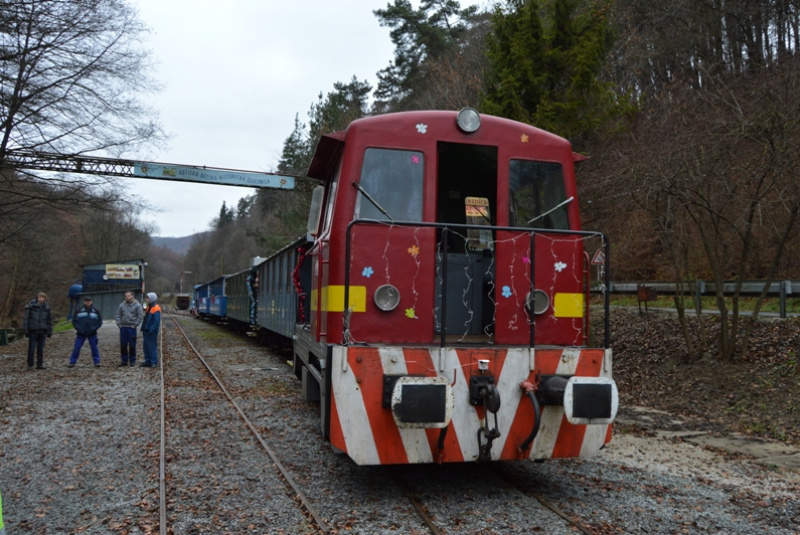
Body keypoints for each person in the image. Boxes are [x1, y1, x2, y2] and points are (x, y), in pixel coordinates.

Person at [69, 296, 103, 367]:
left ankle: (96, 362)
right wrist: (79, 328)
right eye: (86, 301)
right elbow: (74, 321)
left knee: (94, 348)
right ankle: (72, 362)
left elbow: (99, 322)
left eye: (89, 301)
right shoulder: (79, 311)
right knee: (77, 348)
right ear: (84, 302)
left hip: (92, 333)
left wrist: (94, 328)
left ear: (91, 302)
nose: (88, 302)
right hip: (81, 333)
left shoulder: (96, 311)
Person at [22, 292, 53, 370]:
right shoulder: (31, 307)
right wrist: (26, 330)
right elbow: (26, 319)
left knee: (40, 348)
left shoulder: (46, 308)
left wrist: (50, 331)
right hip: (33, 330)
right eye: (40, 297)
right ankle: (30, 364)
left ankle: (39, 364)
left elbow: (49, 320)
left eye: (43, 298)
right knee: (31, 348)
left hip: (43, 331)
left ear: (44, 299)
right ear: (37, 298)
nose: (41, 299)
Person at [116, 291, 143, 367]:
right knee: (123, 345)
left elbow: (140, 316)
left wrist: (135, 325)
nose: (127, 297)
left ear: (132, 296)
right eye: (126, 296)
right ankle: (124, 360)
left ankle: (132, 360)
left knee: (132, 345)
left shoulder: (137, 305)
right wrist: (119, 324)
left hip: (131, 327)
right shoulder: (122, 305)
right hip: (123, 327)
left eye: (128, 296)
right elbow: (118, 315)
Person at [140, 292, 161, 367]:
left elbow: (156, 321)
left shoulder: (156, 308)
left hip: (150, 331)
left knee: (152, 346)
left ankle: (153, 362)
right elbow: (146, 319)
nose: (146, 299)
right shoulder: (149, 307)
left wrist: (151, 329)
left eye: (147, 298)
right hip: (146, 330)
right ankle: (148, 361)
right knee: (146, 347)